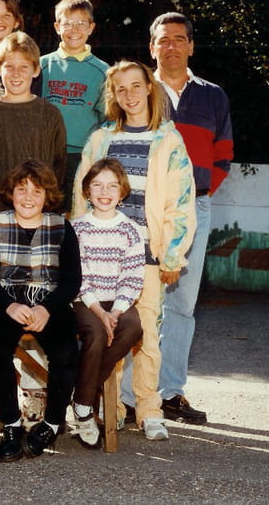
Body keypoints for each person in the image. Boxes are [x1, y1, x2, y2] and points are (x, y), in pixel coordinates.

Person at [71, 60, 196, 441]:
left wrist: (172, 255)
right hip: (100, 259)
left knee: (147, 335)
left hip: (148, 256)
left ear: (149, 88)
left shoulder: (169, 140)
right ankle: (112, 408)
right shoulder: (100, 140)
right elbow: (80, 198)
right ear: (113, 95)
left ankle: (148, 408)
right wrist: (76, 255)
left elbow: (180, 202)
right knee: (109, 332)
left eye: (136, 86)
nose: (129, 95)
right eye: (121, 89)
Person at [150, 12, 233, 425]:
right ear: (152, 47)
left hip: (194, 209)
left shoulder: (213, 96)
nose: (172, 46)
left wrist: (195, 197)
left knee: (181, 304)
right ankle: (130, 397)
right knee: (140, 301)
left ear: (191, 46)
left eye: (179, 39)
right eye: (163, 40)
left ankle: (170, 393)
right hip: (147, 208)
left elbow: (223, 155)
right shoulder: (139, 89)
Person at [0, 159, 81, 462]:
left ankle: (51, 424)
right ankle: (11, 425)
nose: (28, 197)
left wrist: (47, 309)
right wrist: (8, 305)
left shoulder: (61, 227)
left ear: (47, 196)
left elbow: (72, 280)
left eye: (37, 191)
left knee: (66, 353)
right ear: (11, 192)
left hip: (49, 301)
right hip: (7, 300)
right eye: (21, 190)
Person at [69, 158, 144, 449]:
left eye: (112, 186)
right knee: (97, 333)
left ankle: (80, 396)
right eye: (97, 185)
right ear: (87, 190)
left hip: (117, 301)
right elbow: (79, 276)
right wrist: (100, 312)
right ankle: (85, 408)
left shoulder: (130, 230)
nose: (104, 192)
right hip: (84, 300)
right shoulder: (76, 229)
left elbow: (133, 276)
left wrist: (117, 311)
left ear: (122, 192)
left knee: (133, 327)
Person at [0, 31, 67, 224]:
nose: (16, 73)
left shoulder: (50, 114)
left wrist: (48, 205)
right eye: (9, 66)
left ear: (36, 70)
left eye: (24, 67)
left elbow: (59, 167)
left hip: (39, 214)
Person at [40, 0, 109, 206]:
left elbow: (107, 118)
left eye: (81, 23)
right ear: (57, 27)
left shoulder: (103, 71)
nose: (74, 29)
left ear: (91, 28)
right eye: (68, 23)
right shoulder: (41, 66)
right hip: (46, 152)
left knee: (77, 209)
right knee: (46, 209)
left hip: (82, 155)